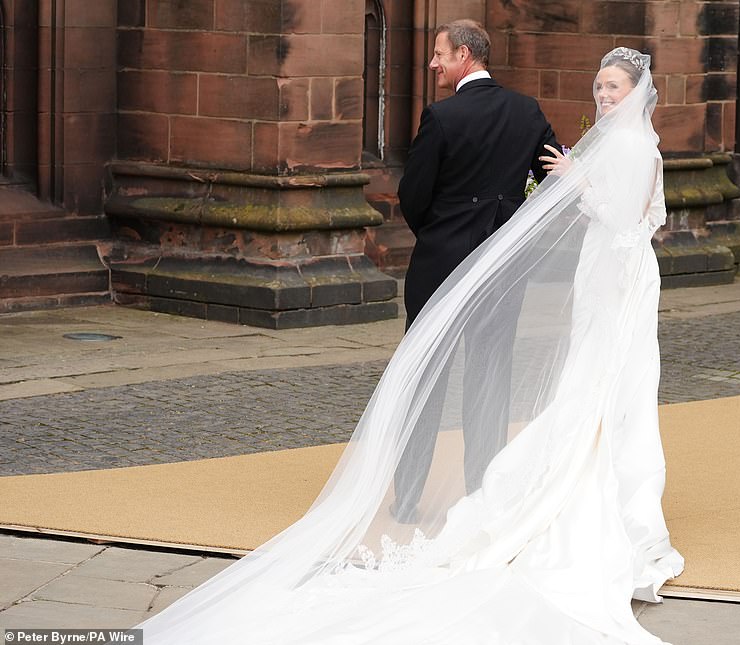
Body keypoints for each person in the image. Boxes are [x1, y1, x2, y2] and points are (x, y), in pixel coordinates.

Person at [136, 46, 682, 645]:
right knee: (511, 380)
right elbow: (543, 183)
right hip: (587, 277)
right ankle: (486, 481)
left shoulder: (452, 119)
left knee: (439, 378)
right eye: (598, 86)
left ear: (638, 90)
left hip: (518, 269)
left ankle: (415, 494)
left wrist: (455, 230)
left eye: (612, 87)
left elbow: (421, 196)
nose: (603, 96)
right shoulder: (531, 112)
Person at [393, 19, 561, 522]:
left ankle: (406, 500)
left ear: (465, 55)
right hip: (503, 267)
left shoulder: (441, 118)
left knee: (425, 381)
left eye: (439, 54)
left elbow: (412, 197)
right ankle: (483, 495)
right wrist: (514, 223)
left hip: (440, 266)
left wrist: (439, 234)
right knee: (491, 378)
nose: (432, 63)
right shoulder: (527, 111)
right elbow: (556, 172)